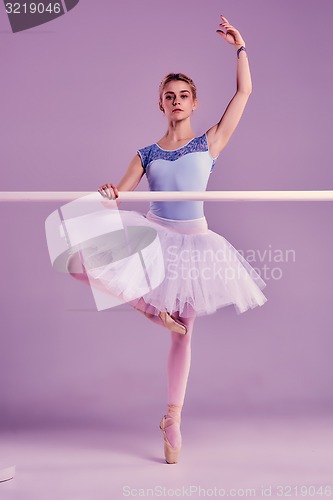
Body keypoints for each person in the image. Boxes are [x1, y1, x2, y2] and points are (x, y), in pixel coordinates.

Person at [67, 15, 268, 464]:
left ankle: (172, 418)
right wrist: (110, 196)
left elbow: (245, 93)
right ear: (160, 104)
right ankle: (150, 311)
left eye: (183, 96)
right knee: (80, 263)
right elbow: (122, 191)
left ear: (193, 103)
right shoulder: (146, 153)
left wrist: (240, 47)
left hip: (195, 245)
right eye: (168, 96)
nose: (176, 101)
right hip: (154, 236)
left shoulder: (210, 143)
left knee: (184, 334)